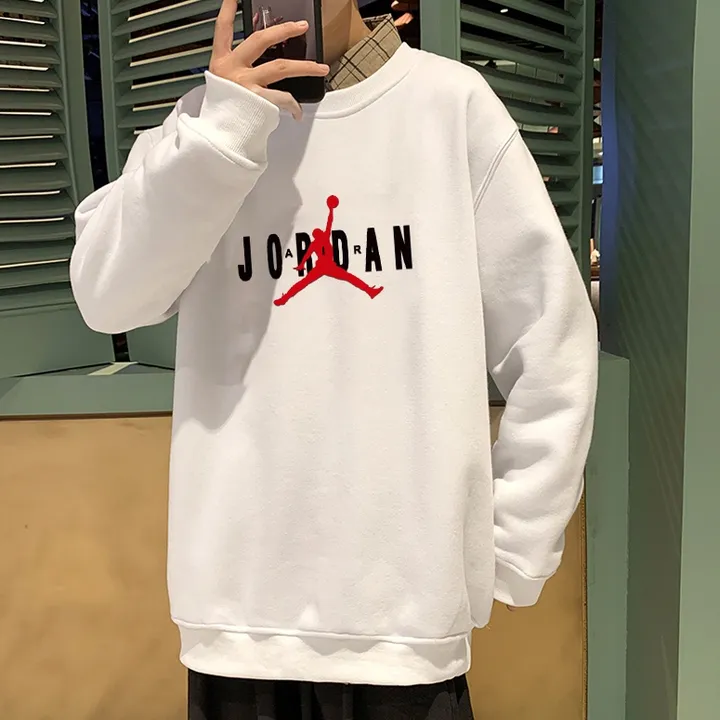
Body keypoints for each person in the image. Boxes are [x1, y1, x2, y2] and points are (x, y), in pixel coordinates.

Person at [70, 1, 598, 718]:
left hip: (406, 618)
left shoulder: (448, 107)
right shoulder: (198, 126)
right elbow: (107, 299)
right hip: (239, 619)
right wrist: (221, 130)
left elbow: (552, 336)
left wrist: (511, 544)